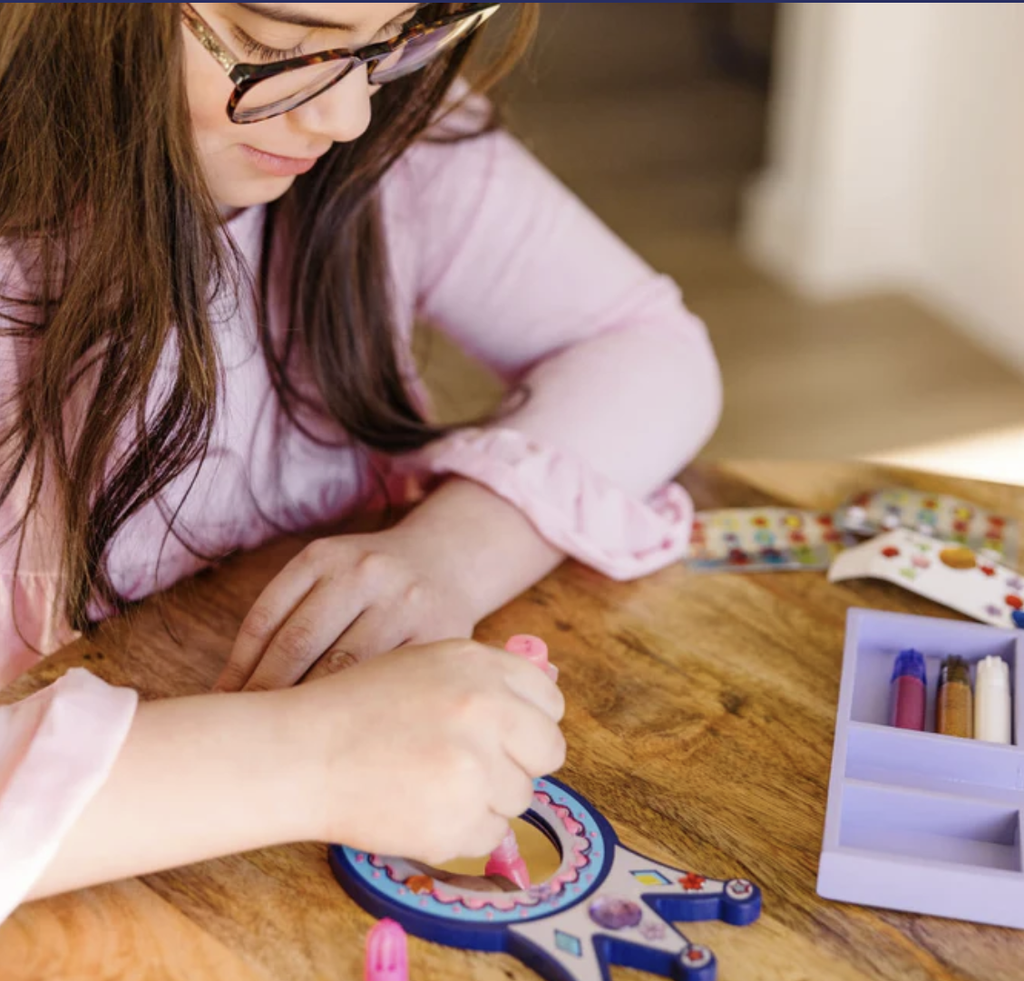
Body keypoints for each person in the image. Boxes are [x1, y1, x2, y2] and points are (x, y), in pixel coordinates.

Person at [0, 3, 721, 920]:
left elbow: (646, 346)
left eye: (401, 30)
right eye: (274, 44)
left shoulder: (385, 129)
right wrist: (314, 756)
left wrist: (454, 553)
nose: (348, 117)